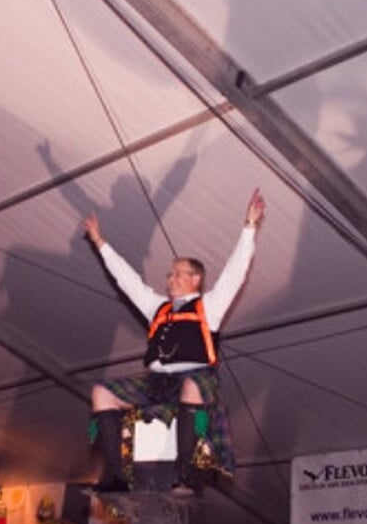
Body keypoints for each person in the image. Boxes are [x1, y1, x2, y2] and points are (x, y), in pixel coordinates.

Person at [83, 190, 266, 493]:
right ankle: (115, 475)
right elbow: (127, 280)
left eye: (178, 274)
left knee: (192, 386)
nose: (170, 278)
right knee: (101, 392)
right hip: (157, 381)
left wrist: (249, 228)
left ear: (196, 279)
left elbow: (236, 273)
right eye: (169, 274)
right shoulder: (157, 307)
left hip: (196, 379)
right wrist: (101, 243)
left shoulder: (210, 306)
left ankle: (186, 475)